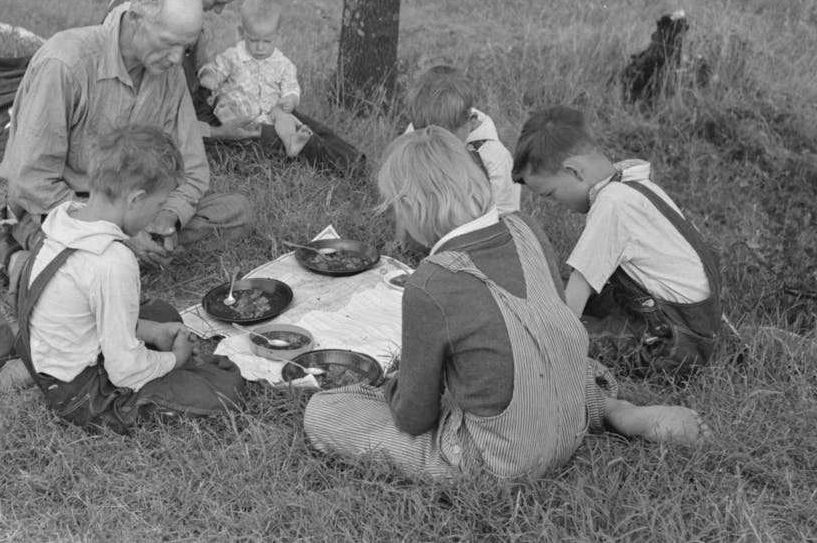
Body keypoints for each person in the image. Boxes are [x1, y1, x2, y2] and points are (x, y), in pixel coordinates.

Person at [303, 127, 711, 479]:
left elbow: (415, 418)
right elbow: (547, 326)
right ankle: (612, 409)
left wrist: (397, 386)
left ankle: (556, 421)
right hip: (569, 419)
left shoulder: (430, 283)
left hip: (499, 459)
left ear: (412, 207)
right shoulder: (524, 228)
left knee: (324, 413)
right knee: (546, 359)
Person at [0, 0, 253, 314]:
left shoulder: (169, 71)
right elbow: (31, 181)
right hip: (66, 209)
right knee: (89, 288)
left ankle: (77, 257)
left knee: (236, 211)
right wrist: (119, 233)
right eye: (169, 44)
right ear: (135, 19)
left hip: (136, 208)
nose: (178, 59)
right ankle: (9, 255)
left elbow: (193, 169)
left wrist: (167, 220)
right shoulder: (66, 62)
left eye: (185, 48)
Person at [14, 125, 244, 434]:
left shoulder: (65, 218)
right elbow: (124, 371)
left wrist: (152, 330)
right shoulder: (111, 261)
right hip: (82, 396)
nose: (159, 214)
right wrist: (174, 360)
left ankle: (155, 341)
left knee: (161, 313)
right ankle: (137, 400)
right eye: (160, 205)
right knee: (222, 388)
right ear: (135, 199)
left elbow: (93, 311)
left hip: (51, 365)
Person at [108, 0, 364, 174]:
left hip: (191, 102)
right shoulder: (147, 16)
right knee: (264, 138)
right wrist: (217, 132)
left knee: (286, 115)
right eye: (218, 1)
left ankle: (355, 161)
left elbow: (192, 72)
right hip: (172, 121)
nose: (218, 10)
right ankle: (349, 166)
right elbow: (149, 121)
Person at [511, 105, 722, 376]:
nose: (556, 204)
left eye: (550, 193)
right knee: (547, 287)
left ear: (574, 171)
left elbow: (572, 304)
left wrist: (535, 335)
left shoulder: (613, 204)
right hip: (685, 324)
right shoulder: (635, 186)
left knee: (536, 336)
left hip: (672, 345)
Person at [198, 0, 313, 157]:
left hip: (268, 115)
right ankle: (239, 141)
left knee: (283, 115)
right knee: (226, 108)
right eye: (253, 40)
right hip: (237, 110)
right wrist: (210, 77)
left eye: (267, 42)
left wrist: (290, 99)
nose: (260, 48)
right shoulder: (234, 56)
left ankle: (291, 143)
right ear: (241, 33)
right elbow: (217, 67)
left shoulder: (283, 64)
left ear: (277, 36)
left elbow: (291, 86)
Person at [404, 64, 519, 211]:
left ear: (471, 121)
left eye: (446, 142)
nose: (436, 149)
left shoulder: (495, 160)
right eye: (427, 139)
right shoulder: (420, 128)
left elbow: (506, 215)